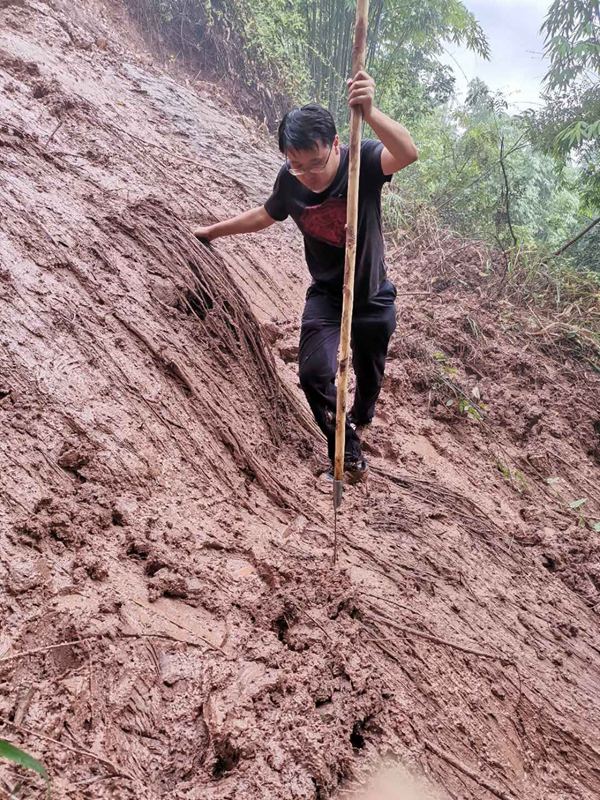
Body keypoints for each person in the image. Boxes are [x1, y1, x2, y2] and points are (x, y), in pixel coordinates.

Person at [193, 71, 418, 479]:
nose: (308, 174)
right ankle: (348, 454)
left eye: (315, 163)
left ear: (335, 144)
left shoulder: (361, 162)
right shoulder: (290, 180)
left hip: (372, 295)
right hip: (328, 297)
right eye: (296, 165)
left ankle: (364, 415)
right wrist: (212, 231)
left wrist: (370, 112)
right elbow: (266, 214)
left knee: (369, 378)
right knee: (314, 374)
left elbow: (407, 152)